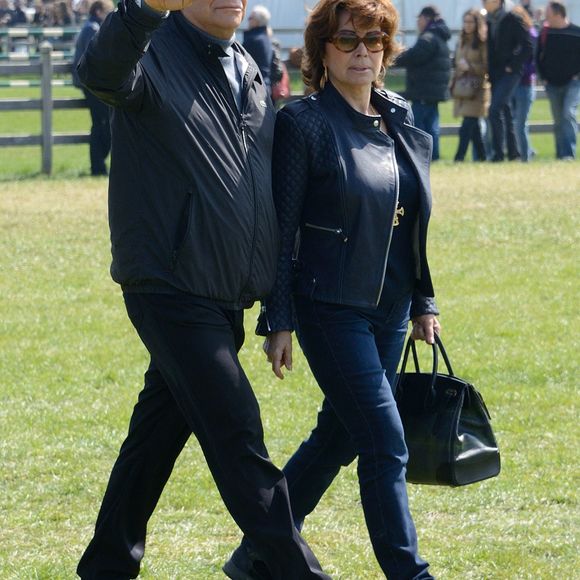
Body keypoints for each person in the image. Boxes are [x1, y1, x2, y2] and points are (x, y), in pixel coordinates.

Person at [73, 0, 331, 578]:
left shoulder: (247, 66)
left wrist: (275, 301)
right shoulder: (152, 49)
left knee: (154, 439)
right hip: (169, 287)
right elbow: (99, 74)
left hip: (224, 292)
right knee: (239, 435)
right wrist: (142, 12)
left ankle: (106, 567)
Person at [225, 0, 440, 577]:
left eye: (374, 39)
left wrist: (423, 301)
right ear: (322, 50)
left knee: (338, 437)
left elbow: (411, 218)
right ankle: (411, 573)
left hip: (391, 309)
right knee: (384, 441)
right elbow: (282, 230)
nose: (362, 51)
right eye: (348, 40)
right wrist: (279, 318)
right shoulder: (305, 122)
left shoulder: (398, 116)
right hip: (329, 306)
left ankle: (257, 554)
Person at [395, 4, 451, 161]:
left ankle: (422, 156)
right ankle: (434, 156)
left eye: (419, 18)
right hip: (432, 91)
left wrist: (392, 58)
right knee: (432, 126)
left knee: (418, 127)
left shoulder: (428, 38)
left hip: (424, 90)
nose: (418, 22)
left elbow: (413, 56)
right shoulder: (439, 37)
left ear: (426, 18)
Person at [483, 0, 533, 161]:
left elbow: (527, 46)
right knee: (505, 110)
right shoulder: (488, 20)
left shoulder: (512, 18)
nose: (483, 2)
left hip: (510, 73)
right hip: (496, 73)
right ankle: (513, 153)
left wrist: (513, 65)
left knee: (494, 110)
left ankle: (498, 154)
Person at [72, 0, 113, 176]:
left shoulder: (90, 27)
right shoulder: (93, 29)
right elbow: (98, 57)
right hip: (93, 85)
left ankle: (98, 166)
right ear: (98, 12)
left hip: (90, 83)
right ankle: (97, 167)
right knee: (101, 125)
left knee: (101, 125)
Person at [536, 1, 580, 160]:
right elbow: (538, 57)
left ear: (558, 14)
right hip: (552, 83)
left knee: (568, 114)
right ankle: (560, 153)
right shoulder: (545, 34)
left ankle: (569, 153)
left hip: (573, 83)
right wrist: (543, 78)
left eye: (548, 15)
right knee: (558, 119)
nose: (546, 18)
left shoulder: (576, 32)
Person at [452, 8, 490, 162]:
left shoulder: (482, 42)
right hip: (463, 88)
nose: (467, 25)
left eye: (471, 22)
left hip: (477, 89)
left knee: (467, 125)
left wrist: (471, 67)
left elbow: (487, 67)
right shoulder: (461, 40)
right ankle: (482, 157)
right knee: (473, 128)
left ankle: (459, 158)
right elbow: (456, 60)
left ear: (477, 23)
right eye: (465, 21)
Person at [511, 5, 537, 162]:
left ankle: (525, 156)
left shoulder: (530, 34)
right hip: (514, 83)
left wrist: (515, 66)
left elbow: (531, 63)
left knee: (520, 123)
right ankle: (522, 153)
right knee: (515, 122)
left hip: (525, 83)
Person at [243, 4, 274, 91]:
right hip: (265, 85)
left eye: (250, 18)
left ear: (257, 21)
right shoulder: (266, 37)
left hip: (254, 87)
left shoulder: (254, 40)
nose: (248, 20)